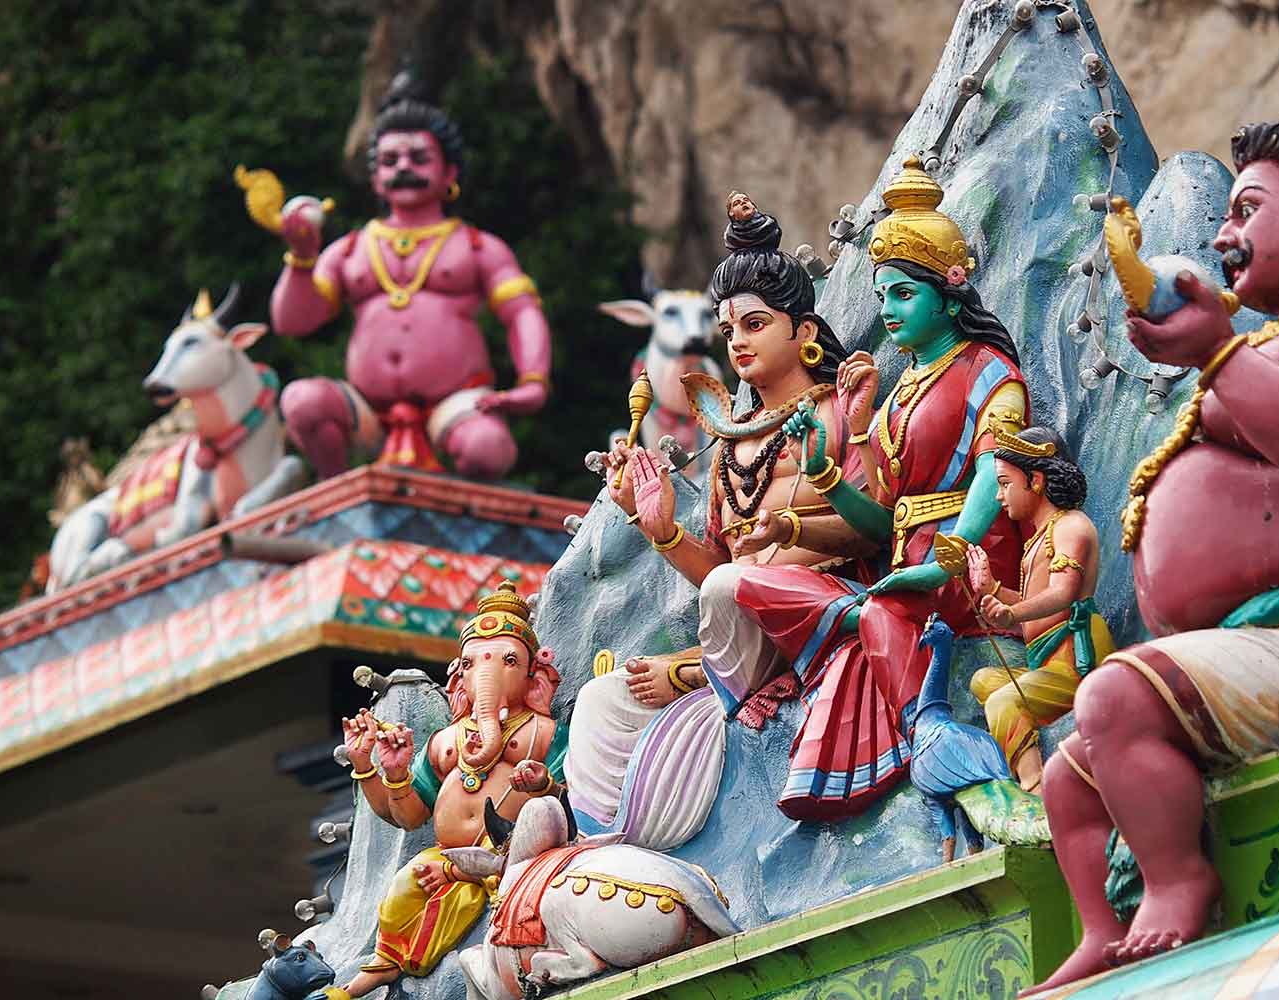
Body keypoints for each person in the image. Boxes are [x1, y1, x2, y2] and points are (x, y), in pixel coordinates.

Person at [1030, 121, 1279, 990]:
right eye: (1224, 216)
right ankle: (1101, 928)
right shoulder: (1260, 344)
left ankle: (1179, 884)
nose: (1223, 236)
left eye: (1248, 210)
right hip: (1253, 644)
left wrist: (1216, 351)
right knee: (1068, 782)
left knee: (1113, 699)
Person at [564, 194, 875, 850]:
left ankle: (697, 674)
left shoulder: (835, 414)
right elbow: (721, 570)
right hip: (737, 628)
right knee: (601, 701)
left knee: (726, 592)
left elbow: (877, 529)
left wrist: (791, 533)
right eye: (728, 328)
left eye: (755, 324)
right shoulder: (730, 445)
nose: (736, 342)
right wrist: (661, 531)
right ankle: (606, 848)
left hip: (822, 611)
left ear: (805, 334)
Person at [732, 155, 1030, 821]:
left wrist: (947, 560)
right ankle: (889, 673)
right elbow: (880, 520)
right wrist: (826, 473)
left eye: (903, 294)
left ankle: (928, 733)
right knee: (750, 583)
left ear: (948, 293)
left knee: (878, 612)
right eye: (881, 297)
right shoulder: (900, 395)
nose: (889, 312)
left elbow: (994, 468)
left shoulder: (989, 371)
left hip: (974, 558)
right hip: (906, 561)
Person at [270, 74, 551, 480]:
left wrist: (533, 380)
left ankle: (464, 511)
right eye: (390, 161)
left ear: (448, 171)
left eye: (419, 158)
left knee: (487, 449)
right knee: (302, 401)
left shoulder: (476, 246)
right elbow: (293, 322)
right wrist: (301, 257)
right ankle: (336, 487)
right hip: (365, 408)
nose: (404, 168)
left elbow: (521, 313)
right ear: (375, 178)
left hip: (455, 403)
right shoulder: (351, 248)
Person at [337, 583, 563, 996]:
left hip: (513, 851)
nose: (489, 674)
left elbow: (576, 798)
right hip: (443, 853)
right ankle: (386, 962)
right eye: (476, 663)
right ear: (461, 672)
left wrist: (545, 783)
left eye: (508, 661)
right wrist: (380, 769)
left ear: (532, 673)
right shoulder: (446, 740)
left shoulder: (541, 732)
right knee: (403, 889)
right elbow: (407, 816)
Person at [964, 420, 1112, 794]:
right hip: (1043, 659)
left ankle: (1037, 792)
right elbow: (1034, 604)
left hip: (1073, 660)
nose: (999, 496)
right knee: (983, 680)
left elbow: (1063, 593)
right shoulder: (1038, 540)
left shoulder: (1070, 526)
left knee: (1003, 703)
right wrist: (993, 591)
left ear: (1036, 481)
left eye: (1004, 483)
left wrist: (1010, 613)